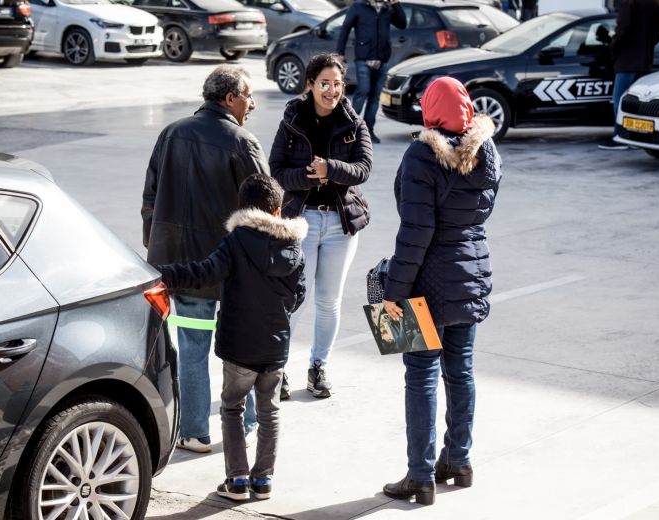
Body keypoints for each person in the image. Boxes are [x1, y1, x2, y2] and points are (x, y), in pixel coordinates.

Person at [380, 77, 502, 505]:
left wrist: (392, 292)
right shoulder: (487, 151)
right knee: (462, 371)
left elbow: (417, 229)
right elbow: (481, 211)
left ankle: (420, 476)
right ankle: (458, 461)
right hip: (471, 273)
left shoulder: (420, 155)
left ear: (430, 109)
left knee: (421, 376)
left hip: (424, 283)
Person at [156, 174, 307, 501]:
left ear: (243, 209)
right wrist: (280, 315)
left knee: (232, 409)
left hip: (239, 347)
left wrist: (163, 273)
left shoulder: (236, 242)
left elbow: (203, 273)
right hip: (275, 346)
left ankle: (237, 480)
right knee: (269, 413)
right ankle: (263, 480)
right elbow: (300, 294)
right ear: (278, 211)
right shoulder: (294, 247)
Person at [142, 65, 267, 453]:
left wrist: (156, 245)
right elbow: (264, 209)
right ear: (230, 98)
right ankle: (246, 423)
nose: (253, 103)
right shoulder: (242, 142)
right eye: (248, 95)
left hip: (176, 264)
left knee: (192, 347)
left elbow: (149, 196)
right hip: (227, 265)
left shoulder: (171, 133)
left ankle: (194, 432)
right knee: (241, 346)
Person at [269, 53, 373, 399]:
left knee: (329, 301)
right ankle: (279, 368)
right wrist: (307, 178)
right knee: (296, 298)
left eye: (338, 84)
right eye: (325, 84)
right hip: (302, 222)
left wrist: (330, 169)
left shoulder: (354, 122)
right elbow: (277, 169)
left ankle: (318, 367)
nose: (332, 91)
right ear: (310, 85)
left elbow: (363, 169)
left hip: (340, 225)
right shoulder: (292, 120)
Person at [336, 0, 406, 144]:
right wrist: (339, 52)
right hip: (363, 58)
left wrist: (396, 4)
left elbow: (402, 24)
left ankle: (368, 131)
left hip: (382, 60)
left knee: (374, 97)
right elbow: (345, 28)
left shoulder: (388, 8)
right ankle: (350, 129)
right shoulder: (358, 6)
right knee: (363, 91)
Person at [598, 0, 659, 150]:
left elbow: (622, 30)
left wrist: (614, 47)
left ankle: (621, 138)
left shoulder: (628, 3)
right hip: (645, 60)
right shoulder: (654, 5)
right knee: (640, 103)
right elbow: (657, 35)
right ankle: (637, 138)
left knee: (620, 101)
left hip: (627, 61)